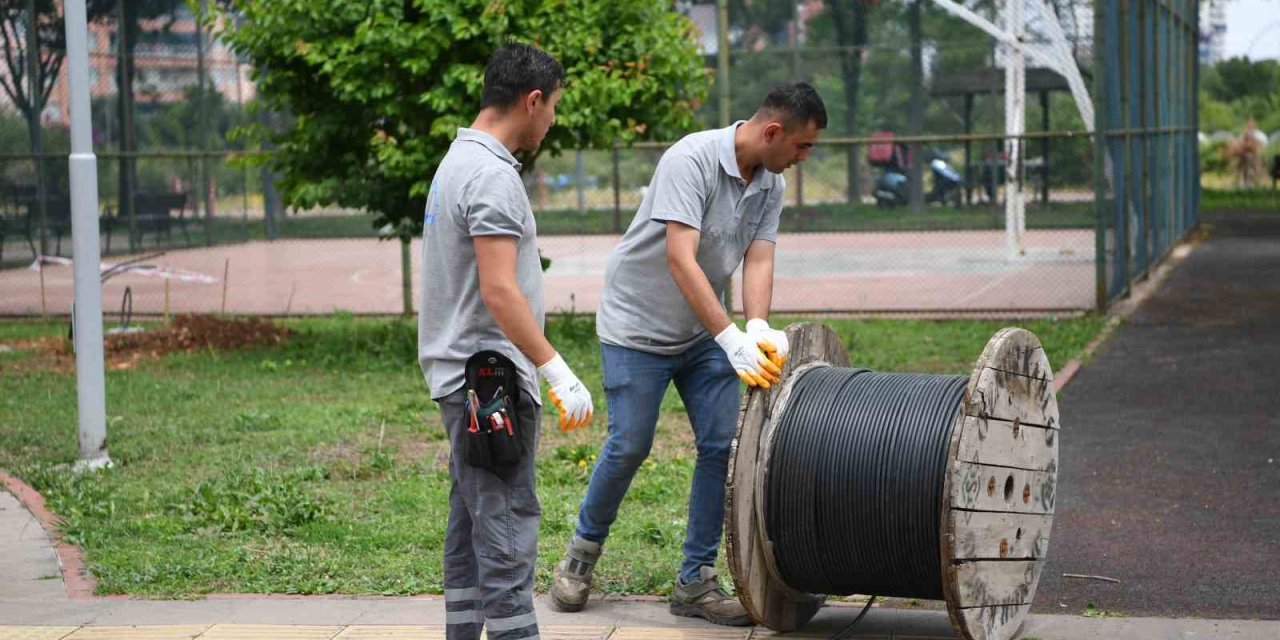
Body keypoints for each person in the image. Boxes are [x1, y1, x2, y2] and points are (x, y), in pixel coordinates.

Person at [550, 82, 828, 626]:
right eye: (802, 147)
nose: (803, 158)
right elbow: (681, 260)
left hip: (703, 332)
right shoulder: (691, 159)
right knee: (630, 444)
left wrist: (758, 327)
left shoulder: (769, 183)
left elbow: (760, 259)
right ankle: (580, 557)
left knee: (721, 447)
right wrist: (730, 339)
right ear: (773, 132)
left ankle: (695, 582)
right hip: (636, 329)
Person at [418, 42, 594, 640]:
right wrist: (555, 369)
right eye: (553, 109)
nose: (552, 122)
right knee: (507, 532)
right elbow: (499, 290)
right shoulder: (492, 176)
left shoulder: (455, 162)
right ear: (533, 99)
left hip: (458, 375)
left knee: (471, 529)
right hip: (489, 383)